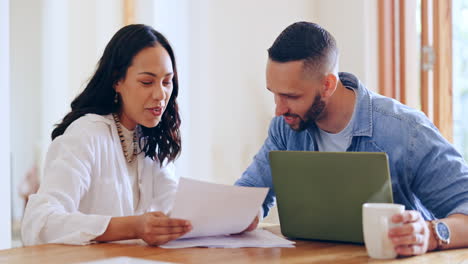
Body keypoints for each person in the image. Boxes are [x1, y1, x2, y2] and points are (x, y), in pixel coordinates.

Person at [236, 22, 468, 256]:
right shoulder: (285, 126)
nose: (278, 109)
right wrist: (219, 217)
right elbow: (247, 196)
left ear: (327, 85)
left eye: (290, 96)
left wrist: (430, 234)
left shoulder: (407, 131)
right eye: (274, 94)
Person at [22, 24, 192, 246]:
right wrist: (133, 227)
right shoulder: (86, 134)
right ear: (117, 80)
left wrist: (232, 222)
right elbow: (39, 223)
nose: (161, 94)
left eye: (167, 82)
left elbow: (175, 208)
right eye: (147, 82)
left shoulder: (150, 139)